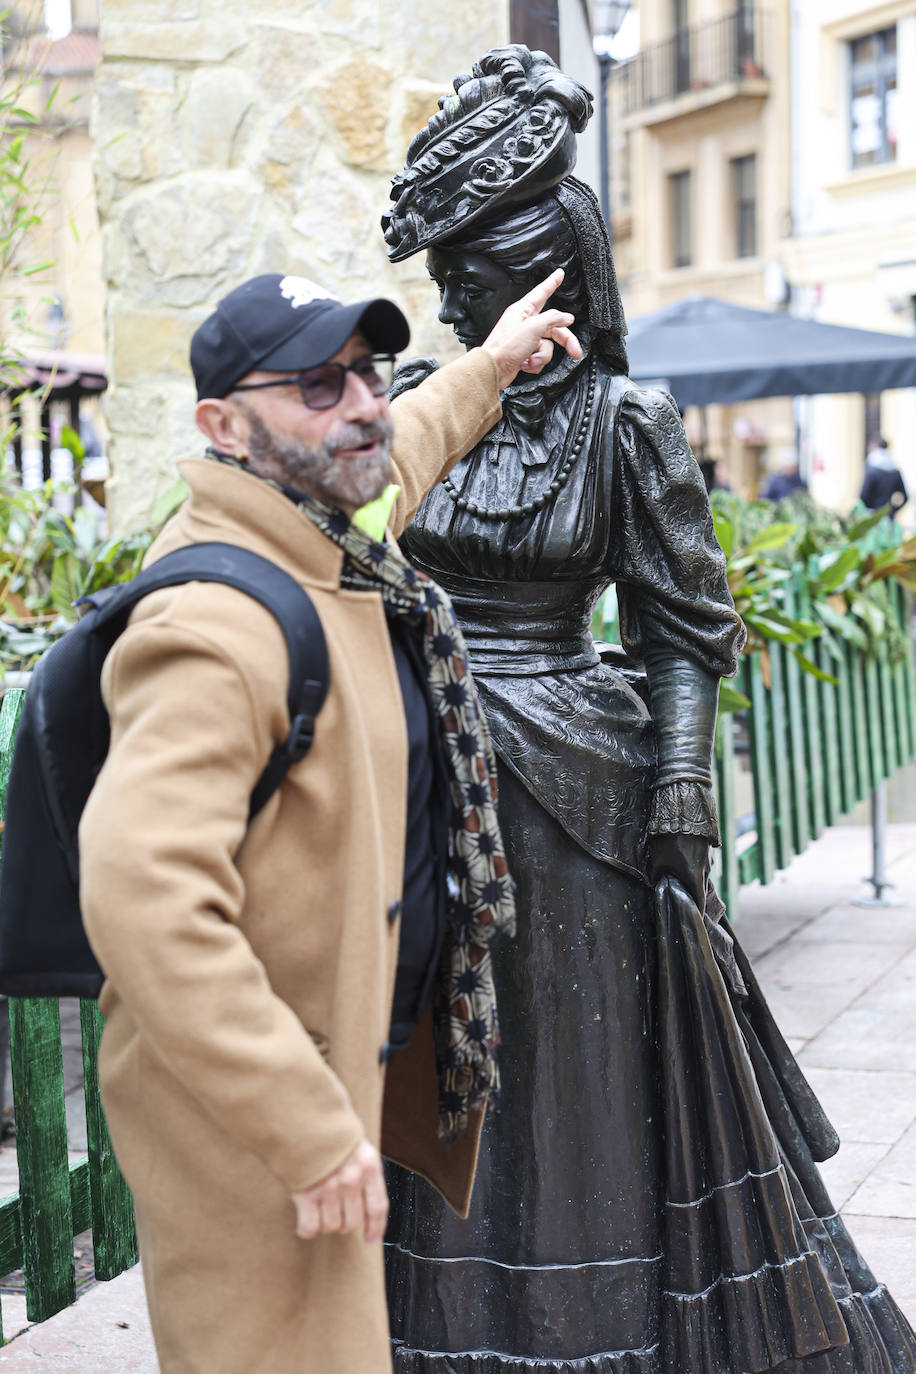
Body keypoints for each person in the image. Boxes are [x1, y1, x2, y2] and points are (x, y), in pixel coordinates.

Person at [380, 45, 916, 1374]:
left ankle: (587, 1321)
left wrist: (681, 778)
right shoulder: (414, 415)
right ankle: (440, 1329)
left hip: (574, 789)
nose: (450, 296)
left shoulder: (628, 421)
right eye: (445, 273)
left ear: (542, 281)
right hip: (427, 775)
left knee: (568, 1072)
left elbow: (683, 624)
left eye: (476, 277)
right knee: (446, 1060)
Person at [78, 268, 582, 1374]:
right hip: (243, 1116)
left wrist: (490, 364)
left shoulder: (327, 534)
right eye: (316, 383)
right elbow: (141, 897)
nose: (357, 402)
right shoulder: (214, 625)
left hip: (321, 1070)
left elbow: (398, 447)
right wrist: (305, 1133)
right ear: (223, 425)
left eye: (366, 371)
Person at [861, 435, 908, 517]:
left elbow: (863, 497)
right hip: (888, 517)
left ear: (875, 446)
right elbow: (905, 497)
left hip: (872, 519)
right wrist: (893, 510)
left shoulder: (872, 469)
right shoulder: (894, 471)